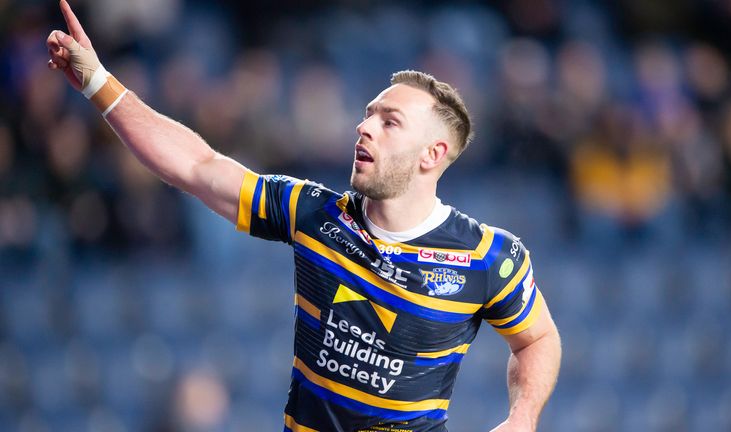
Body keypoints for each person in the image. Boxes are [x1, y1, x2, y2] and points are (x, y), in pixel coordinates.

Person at [46, 1, 561, 430]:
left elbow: (537, 338)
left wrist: (524, 416)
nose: (364, 127)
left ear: (432, 154)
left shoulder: (488, 256)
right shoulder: (313, 213)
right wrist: (98, 82)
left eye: (389, 121)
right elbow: (197, 166)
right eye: (367, 114)